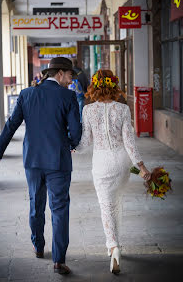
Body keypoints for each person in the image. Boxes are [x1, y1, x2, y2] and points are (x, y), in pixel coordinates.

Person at [0, 57, 81, 275]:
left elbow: (11, 125)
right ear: (59, 73)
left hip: (32, 161)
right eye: (70, 75)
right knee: (59, 209)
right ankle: (58, 260)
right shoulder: (68, 96)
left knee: (35, 204)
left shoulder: (26, 94)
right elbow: (76, 132)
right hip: (58, 161)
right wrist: (69, 144)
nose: (71, 80)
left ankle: (38, 246)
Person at [75, 69, 151, 274]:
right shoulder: (123, 109)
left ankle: (113, 246)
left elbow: (85, 142)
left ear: (94, 86)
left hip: (101, 164)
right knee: (116, 204)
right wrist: (141, 167)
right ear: (113, 85)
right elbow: (129, 143)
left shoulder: (88, 110)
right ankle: (114, 245)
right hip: (122, 164)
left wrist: (71, 148)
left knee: (105, 206)